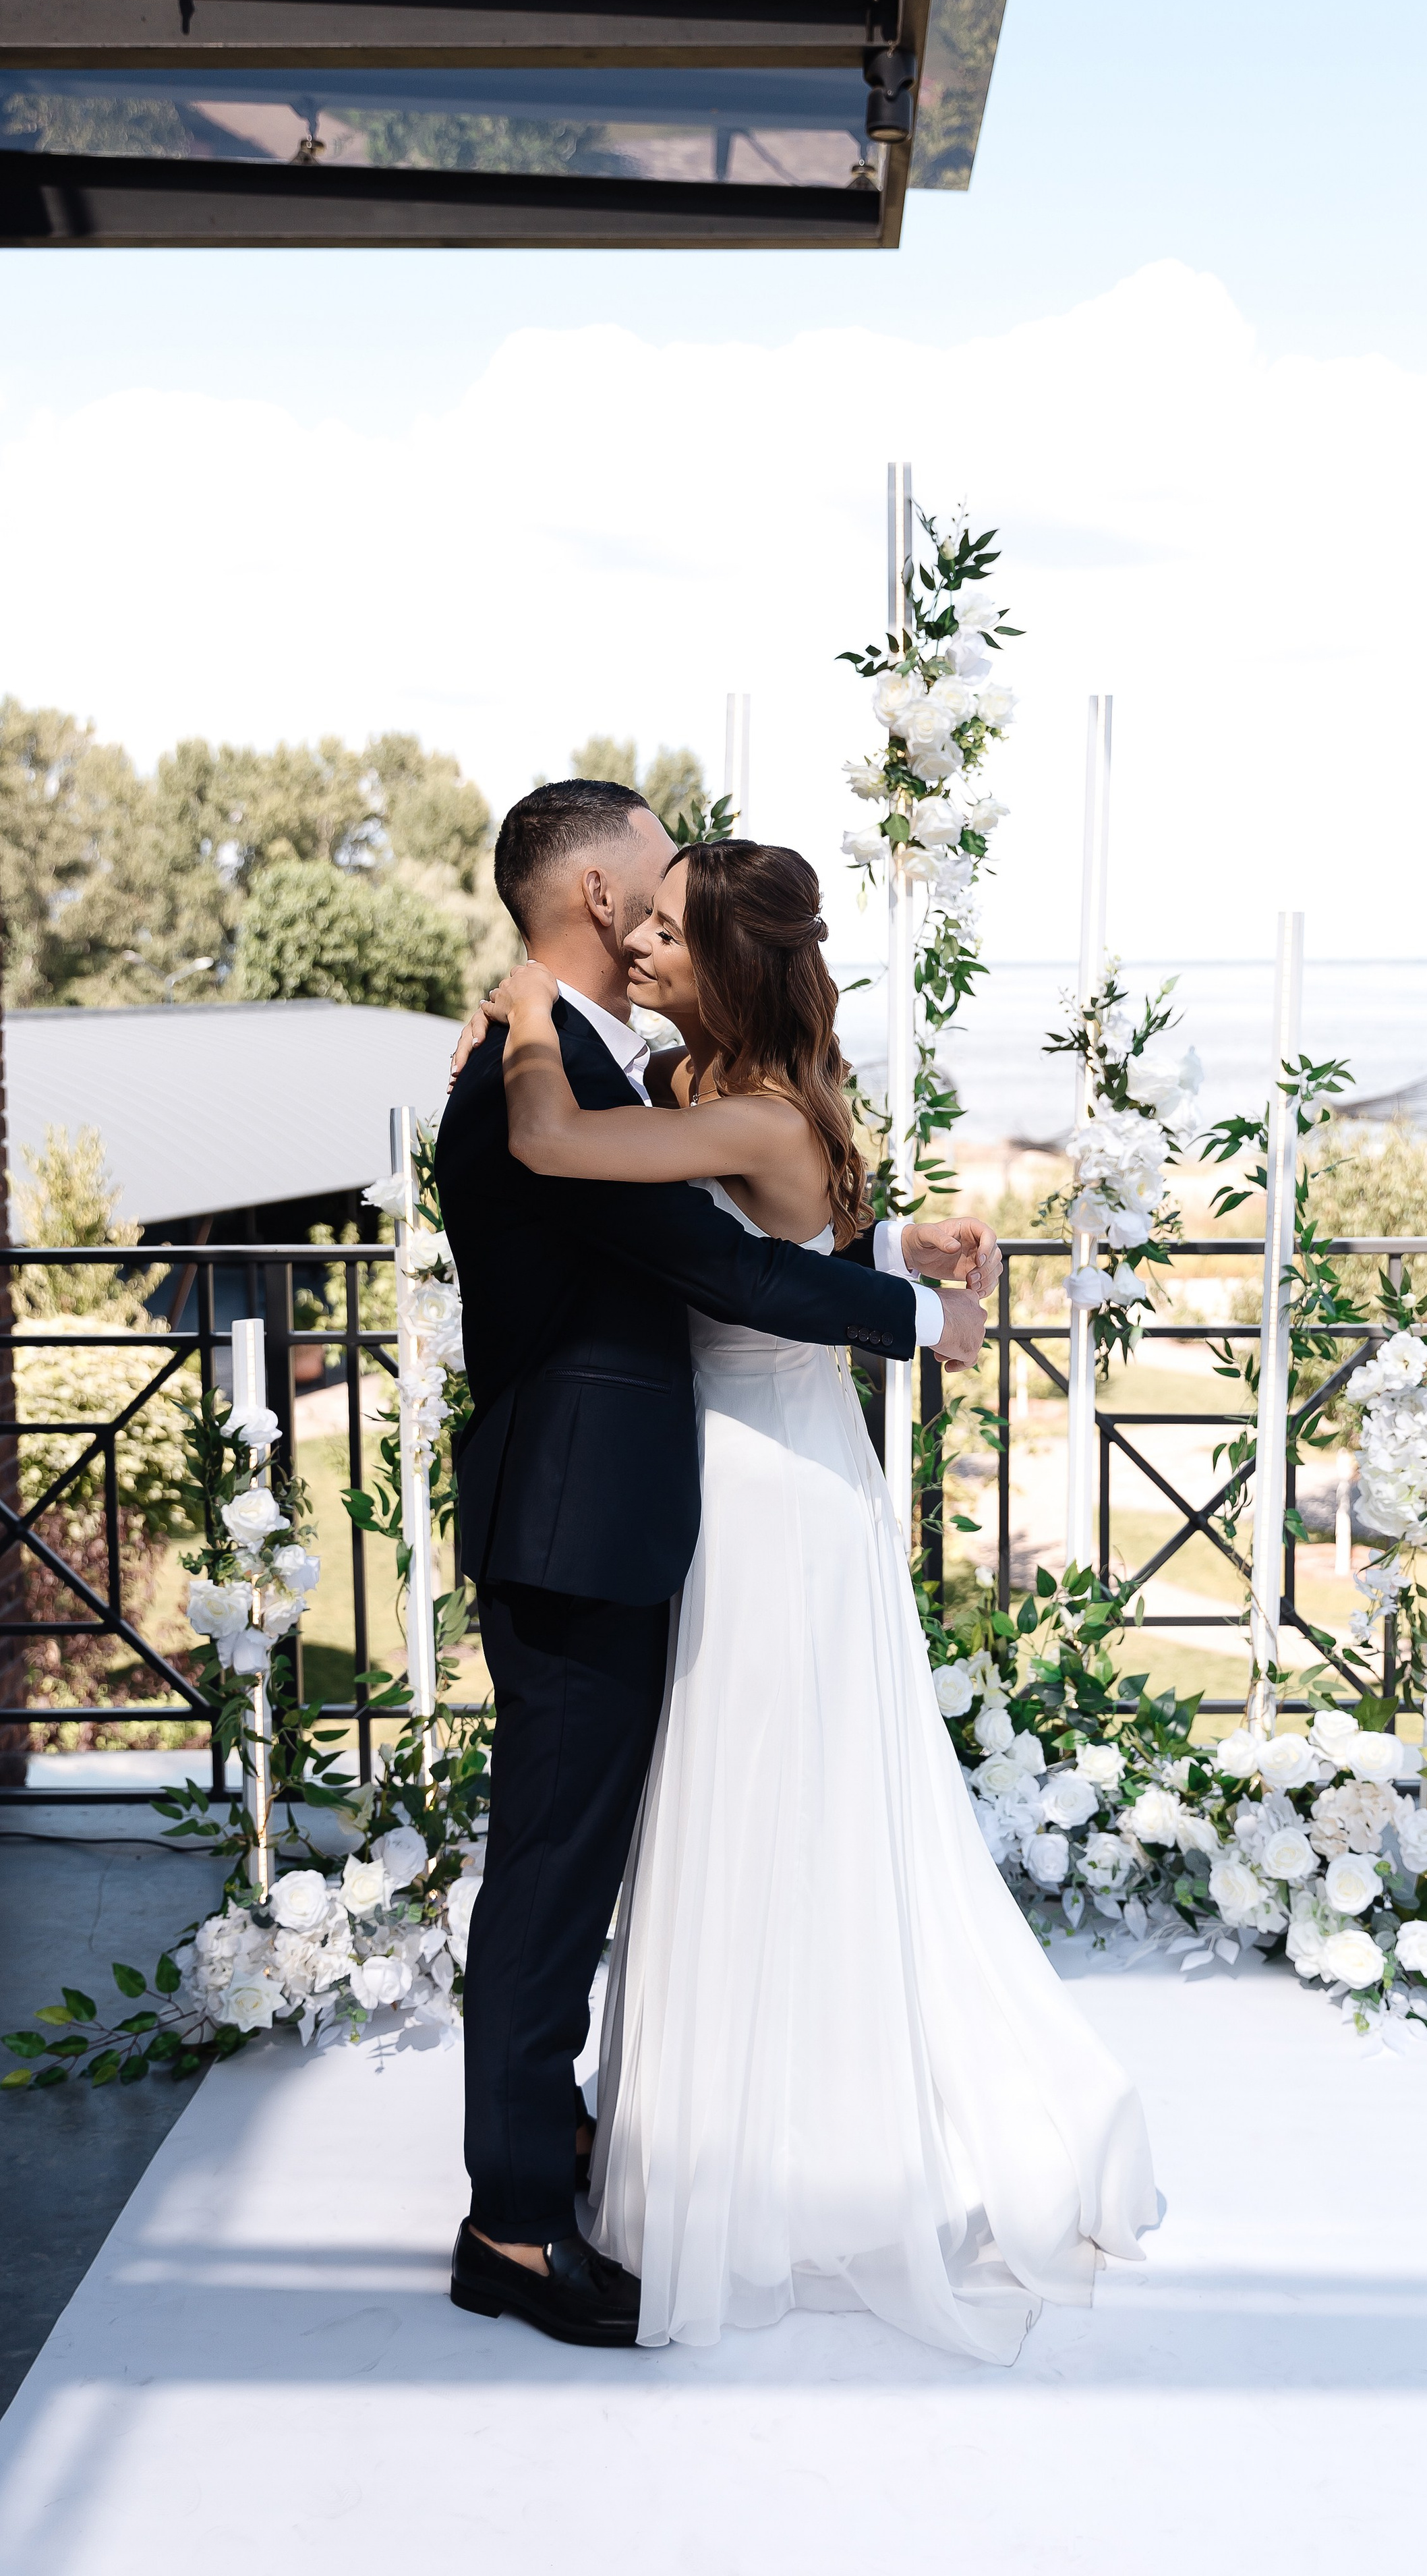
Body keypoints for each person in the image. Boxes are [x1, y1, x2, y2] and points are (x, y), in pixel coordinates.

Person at [459, 832, 1159, 2366]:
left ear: (720, 957)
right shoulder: (712, 1090)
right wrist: (902, 1262)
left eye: (667, 927)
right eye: (632, 914)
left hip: (758, 1489)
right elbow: (753, 1242)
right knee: (739, 1816)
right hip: (740, 1482)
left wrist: (522, 1025)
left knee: (758, 1814)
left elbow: (628, 1195)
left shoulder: (705, 1098)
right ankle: (649, 2159)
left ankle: (721, 2154)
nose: (640, 941)